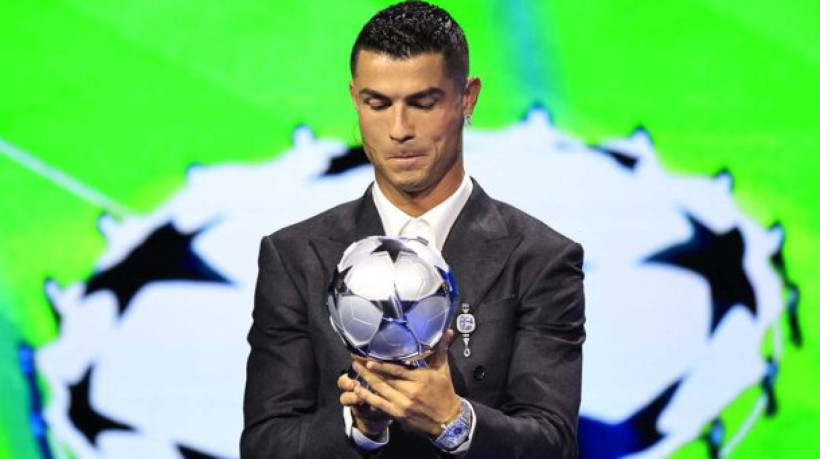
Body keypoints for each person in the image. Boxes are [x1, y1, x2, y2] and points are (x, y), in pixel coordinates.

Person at [240, 2, 585, 458]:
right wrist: (359, 426)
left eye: (423, 103)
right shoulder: (294, 255)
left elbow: (553, 445)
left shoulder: (542, 258)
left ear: (467, 98)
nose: (399, 130)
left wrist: (454, 421)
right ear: (355, 99)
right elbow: (265, 446)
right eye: (377, 104)